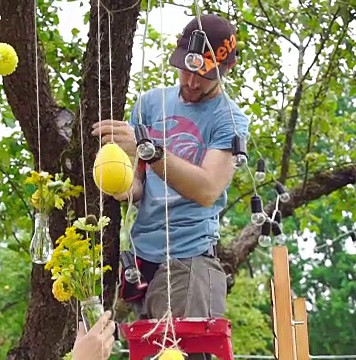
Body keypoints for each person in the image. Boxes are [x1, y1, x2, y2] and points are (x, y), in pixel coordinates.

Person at [91, 14, 249, 360]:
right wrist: (121, 184)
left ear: (227, 70)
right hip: (141, 260)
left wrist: (147, 148)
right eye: (185, 70)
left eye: (204, 75)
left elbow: (207, 189)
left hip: (190, 260)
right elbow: (137, 185)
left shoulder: (230, 119)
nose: (191, 81)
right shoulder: (150, 103)